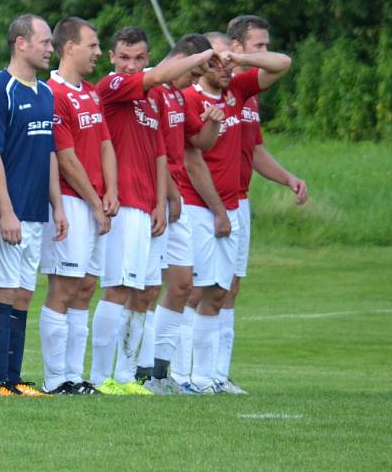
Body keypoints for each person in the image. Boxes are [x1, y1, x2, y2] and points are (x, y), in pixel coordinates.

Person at [90, 26, 217, 395]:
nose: (131, 65)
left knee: (145, 291)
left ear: (147, 57)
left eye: (139, 58)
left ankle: (128, 376)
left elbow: (160, 151)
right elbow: (161, 74)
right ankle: (100, 378)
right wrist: (203, 58)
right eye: (124, 57)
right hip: (123, 203)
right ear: (113, 58)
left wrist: (162, 200)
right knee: (116, 288)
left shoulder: (151, 100)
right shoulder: (113, 85)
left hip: (148, 206)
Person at [181, 31, 291, 393]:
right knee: (193, 292)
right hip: (200, 209)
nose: (225, 65)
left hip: (230, 206)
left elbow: (283, 64)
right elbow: (194, 160)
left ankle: (209, 377)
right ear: (201, 64)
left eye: (227, 57)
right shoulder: (189, 99)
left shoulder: (236, 91)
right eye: (217, 58)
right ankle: (183, 376)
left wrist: (241, 60)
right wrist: (218, 211)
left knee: (218, 292)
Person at [216, 15, 308, 394]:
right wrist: (236, 62)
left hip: (241, 202)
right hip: (213, 202)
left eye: (266, 45)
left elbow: (254, 150)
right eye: (258, 45)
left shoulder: (248, 93)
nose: (265, 52)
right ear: (235, 46)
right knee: (204, 288)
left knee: (231, 289)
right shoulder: (223, 85)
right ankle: (191, 374)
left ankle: (219, 375)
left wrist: (288, 178)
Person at [0, 14, 68, 396]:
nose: (52, 49)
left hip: (36, 212)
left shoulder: (46, 92)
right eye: (45, 42)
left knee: (23, 293)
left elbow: (48, 153)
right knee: (3, 290)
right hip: (10, 214)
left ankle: (14, 378)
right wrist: (6, 211)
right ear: (20, 43)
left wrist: (58, 207)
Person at [138, 34, 226, 394]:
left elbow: (197, 145)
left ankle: (162, 372)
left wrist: (214, 121)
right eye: (196, 71)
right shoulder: (152, 88)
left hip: (175, 201)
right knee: (144, 287)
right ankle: (140, 371)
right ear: (185, 60)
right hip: (155, 198)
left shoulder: (177, 95)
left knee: (182, 285)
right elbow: (154, 152)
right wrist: (170, 194)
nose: (196, 81)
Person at [39, 17, 118, 395]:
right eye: (93, 45)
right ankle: (56, 379)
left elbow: (105, 143)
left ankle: (75, 375)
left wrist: (111, 192)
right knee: (64, 288)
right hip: (72, 203)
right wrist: (94, 201)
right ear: (69, 47)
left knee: (86, 287)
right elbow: (65, 158)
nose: (99, 53)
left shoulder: (91, 92)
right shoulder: (53, 92)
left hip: (96, 205)